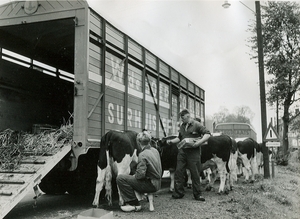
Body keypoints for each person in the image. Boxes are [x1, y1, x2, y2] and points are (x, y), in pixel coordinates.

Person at [167, 109, 211, 201]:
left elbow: (207, 134)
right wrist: (171, 141)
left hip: (193, 153)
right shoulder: (182, 126)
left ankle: (197, 194)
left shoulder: (197, 125)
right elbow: (179, 138)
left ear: (187, 116)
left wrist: (199, 143)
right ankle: (178, 193)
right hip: (182, 152)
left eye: (183, 118)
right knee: (179, 172)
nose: (181, 120)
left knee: (195, 173)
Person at [116, 130, 162, 212]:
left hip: (150, 184)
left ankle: (134, 204)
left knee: (120, 178)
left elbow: (140, 175)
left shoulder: (142, 154)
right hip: (158, 183)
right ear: (149, 141)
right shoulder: (155, 151)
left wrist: (133, 176)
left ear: (138, 143)